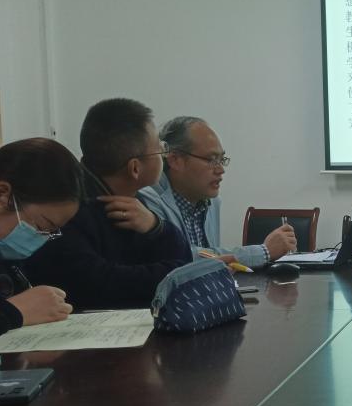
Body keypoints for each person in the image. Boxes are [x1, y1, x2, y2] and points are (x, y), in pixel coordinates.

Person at [22, 98, 192, 310]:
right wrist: (177, 275)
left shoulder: (135, 203)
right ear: (135, 168)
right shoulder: (68, 205)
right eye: (160, 149)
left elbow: (182, 260)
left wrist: (156, 226)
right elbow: (101, 284)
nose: (164, 155)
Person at [139, 116, 296, 267]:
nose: (220, 170)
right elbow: (183, 257)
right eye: (211, 159)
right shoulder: (146, 200)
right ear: (175, 160)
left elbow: (209, 259)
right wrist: (263, 252)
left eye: (221, 160)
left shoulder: (212, 201)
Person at [0, 138, 82, 343]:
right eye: (41, 226)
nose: (42, 238)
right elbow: (13, 309)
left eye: (51, 232)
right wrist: (14, 311)